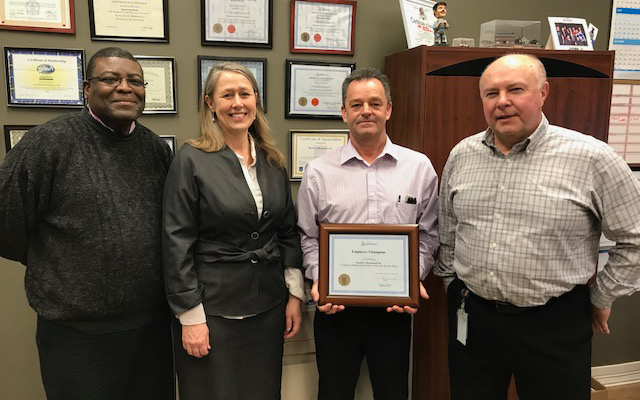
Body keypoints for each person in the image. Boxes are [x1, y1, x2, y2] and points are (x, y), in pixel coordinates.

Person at [435, 53, 640, 400]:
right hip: (474, 317)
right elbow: (449, 234)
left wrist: (602, 295)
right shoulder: (462, 155)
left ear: (544, 92)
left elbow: (634, 240)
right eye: (491, 93)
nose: (502, 102)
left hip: (553, 323)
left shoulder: (593, 158)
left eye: (515, 89)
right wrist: (452, 287)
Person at [0, 47, 175, 400]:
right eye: (110, 79)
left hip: (152, 329)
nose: (124, 87)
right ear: (86, 89)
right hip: (78, 337)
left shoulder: (156, 150)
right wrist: (63, 268)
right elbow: (6, 222)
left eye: (135, 81)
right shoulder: (48, 144)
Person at [162, 62, 304, 400]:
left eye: (245, 93)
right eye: (227, 95)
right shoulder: (191, 159)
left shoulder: (272, 161)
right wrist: (190, 318)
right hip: (212, 313)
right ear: (210, 103)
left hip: (267, 308)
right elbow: (175, 241)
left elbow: (286, 231)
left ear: (256, 100)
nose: (238, 103)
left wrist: (294, 296)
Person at [297, 67, 439, 400]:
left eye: (375, 103)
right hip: (336, 311)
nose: (366, 111)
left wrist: (411, 278)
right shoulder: (318, 172)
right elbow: (307, 236)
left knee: (392, 391)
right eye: (357, 104)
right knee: (333, 391)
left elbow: (430, 234)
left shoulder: (418, 168)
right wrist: (321, 282)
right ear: (344, 112)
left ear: (389, 109)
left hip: (393, 310)